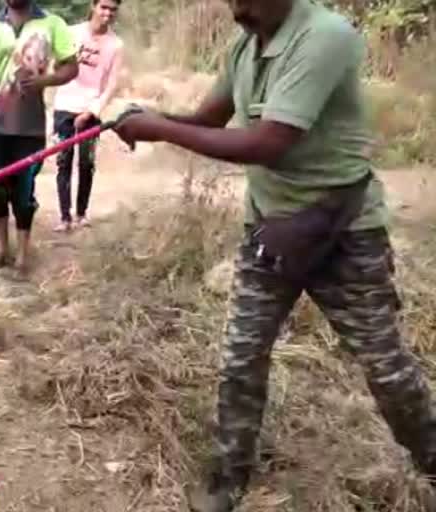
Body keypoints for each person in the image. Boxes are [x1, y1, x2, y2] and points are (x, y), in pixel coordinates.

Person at [113, 0, 436, 510]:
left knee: (385, 366)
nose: (236, 3)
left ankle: (431, 458)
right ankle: (227, 478)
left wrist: (158, 130)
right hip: (270, 228)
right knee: (241, 358)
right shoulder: (247, 45)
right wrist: (143, 117)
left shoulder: (326, 36)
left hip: (344, 233)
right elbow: (206, 120)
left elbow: (268, 144)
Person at [0, 0, 79, 279]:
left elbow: (71, 67)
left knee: (24, 192)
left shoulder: (52, 24)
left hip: (30, 126)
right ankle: (3, 249)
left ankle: (23, 257)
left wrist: (45, 81)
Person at [51, 0, 124, 232]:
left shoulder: (116, 45)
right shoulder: (71, 33)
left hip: (91, 110)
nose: (108, 13)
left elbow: (112, 84)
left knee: (86, 163)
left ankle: (81, 214)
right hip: (64, 106)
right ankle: (64, 217)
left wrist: (93, 110)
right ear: (93, 6)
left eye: (113, 9)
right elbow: (56, 66)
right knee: (63, 162)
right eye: (104, 7)